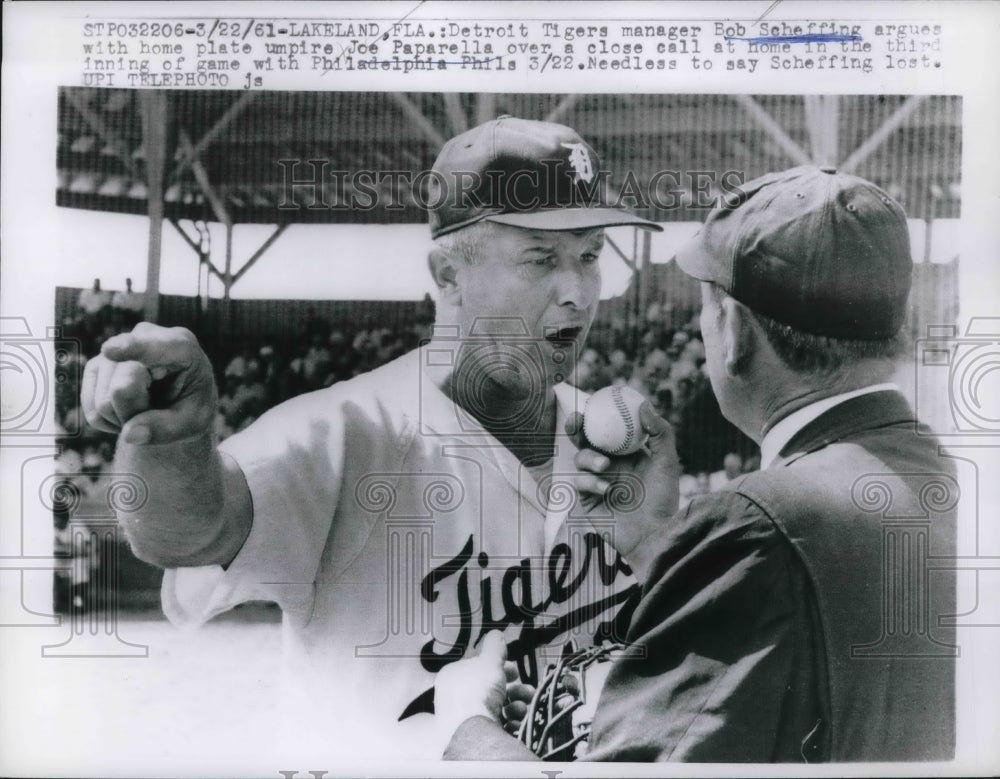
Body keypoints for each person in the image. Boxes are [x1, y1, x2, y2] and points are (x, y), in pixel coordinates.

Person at [80, 117, 663, 758]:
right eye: (540, 258)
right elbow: (187, 534)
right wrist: (170, 447)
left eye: (589, 256)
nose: (577, 291)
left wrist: (656, 548)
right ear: (448, 275)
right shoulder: (347, 430)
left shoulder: (615, 450)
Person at [436, 165, 957, 762]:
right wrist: (658, 545)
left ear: (734, 331)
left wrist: (464, 730)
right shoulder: (945, 475)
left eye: (707, 310)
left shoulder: (757, 524)